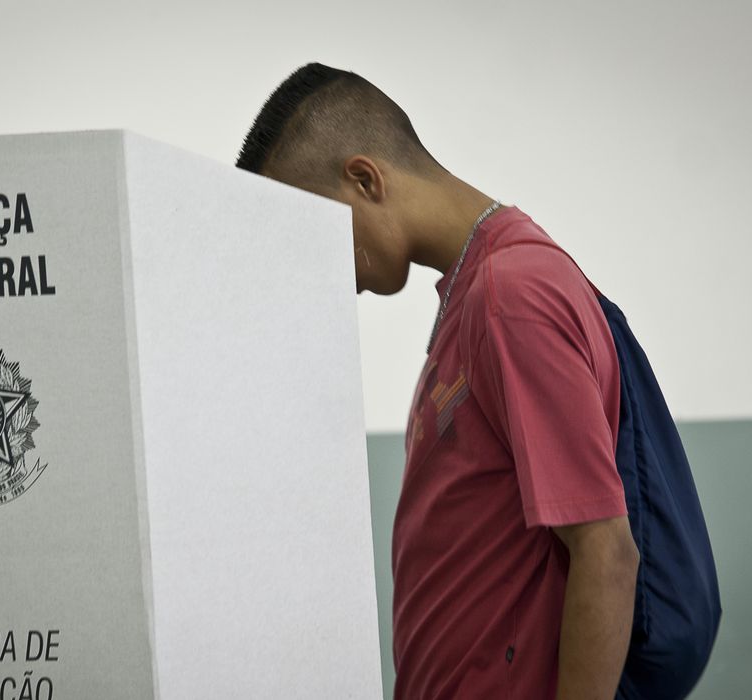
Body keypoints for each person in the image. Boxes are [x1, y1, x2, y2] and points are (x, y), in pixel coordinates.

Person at [236, 62, 640, 699]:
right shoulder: (475, 292)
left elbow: (607, 555)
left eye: (310, 232)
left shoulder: (513, 295)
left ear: (365, 179)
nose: (313, 268)